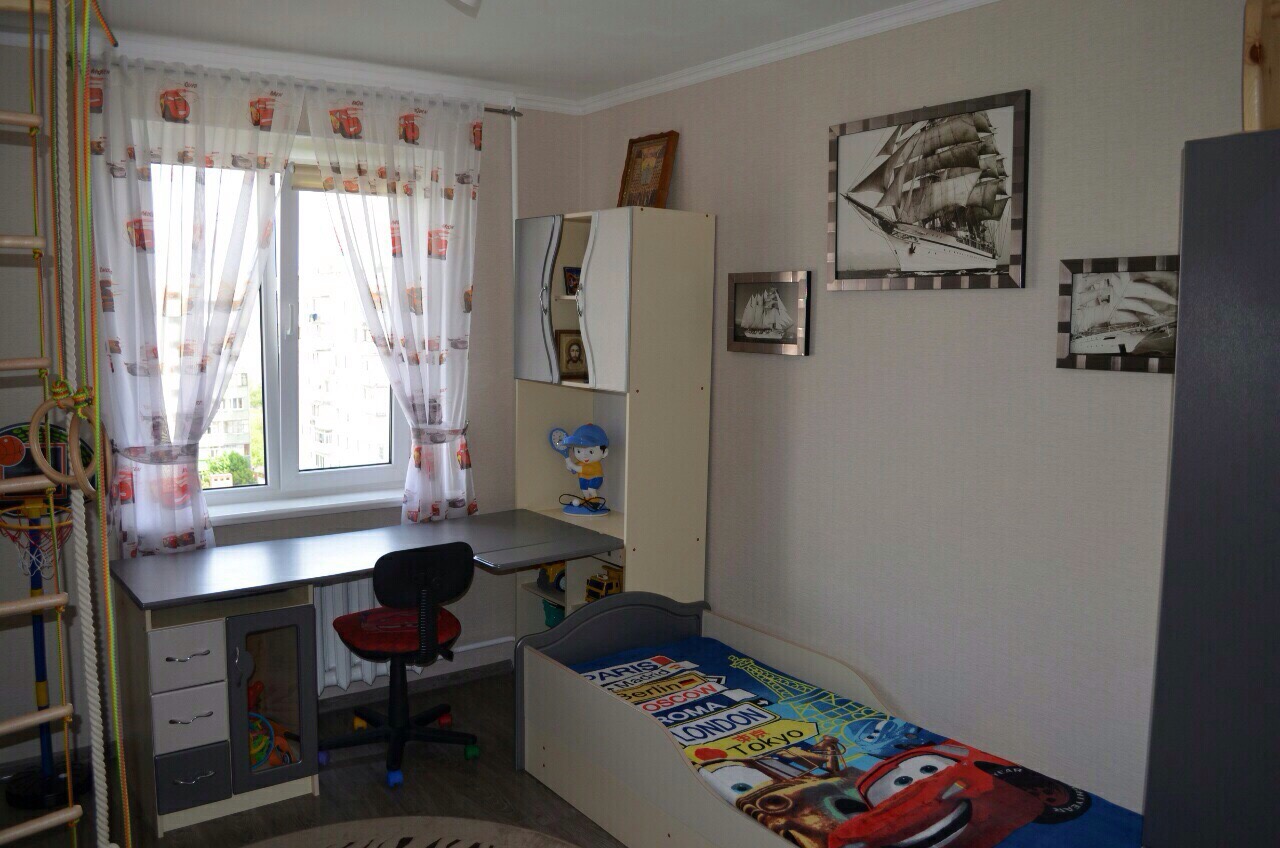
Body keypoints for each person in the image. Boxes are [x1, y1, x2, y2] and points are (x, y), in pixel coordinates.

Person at [562, 423, 609, 514]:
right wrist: (570, 467)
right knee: (584, 490)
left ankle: (594, 501)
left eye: (590, 451)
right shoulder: (581, 463)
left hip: (595, 478)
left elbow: (581, 469)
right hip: (583, 479)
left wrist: (571, 464)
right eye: (579, 451)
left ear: (604, 453)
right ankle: (587, 500)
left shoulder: (595, 465)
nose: (584, 455)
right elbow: (574, 469)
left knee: (591, 489)